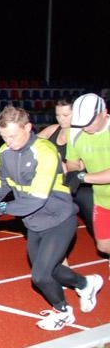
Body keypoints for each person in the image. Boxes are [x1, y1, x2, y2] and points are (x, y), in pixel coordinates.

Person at [0, 105, 103, 331]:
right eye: (4, 136)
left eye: (13, 136)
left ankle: (63, 312)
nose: (8, 141)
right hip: (33, 222)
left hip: (59, 218)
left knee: (40, 276)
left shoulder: (45, 151)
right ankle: (86, 283)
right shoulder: (4, 152)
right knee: (51, 269)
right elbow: (1, 186)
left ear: (28, 127)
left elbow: (36, 200)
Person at [64, 93, 110, 277]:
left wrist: (82, 177)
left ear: (104, 113)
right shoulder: (75, 133)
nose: (85, 127)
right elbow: (73, 163)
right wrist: (73, 173)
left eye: (89, 122)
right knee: (103, 245)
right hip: (102, 198)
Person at [37, 98, 94, 236]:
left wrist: (57, 161)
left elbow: (79, 167)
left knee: (97, 227)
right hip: (56, 185)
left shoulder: (84, 135)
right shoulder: (53, 129)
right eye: (58, 115)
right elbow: (30, 144)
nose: (61, 119)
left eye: (65, 115)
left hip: (79, 186)